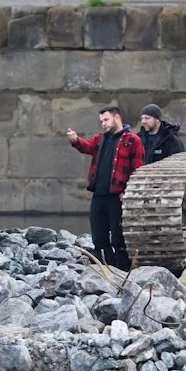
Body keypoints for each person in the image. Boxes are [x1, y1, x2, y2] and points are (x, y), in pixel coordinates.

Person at [67, 105, 144, 271]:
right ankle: (105, 268)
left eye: (106, 120)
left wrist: (128, 192)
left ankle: (124, 269)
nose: (103, 124)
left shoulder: (133, 141)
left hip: (117, 197)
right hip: (99, 195)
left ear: (117, 118)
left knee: (118, 238)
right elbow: (87, 146)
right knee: (99, 237)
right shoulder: (100, 139)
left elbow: (137, 170)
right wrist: (75, 140)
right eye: (101, 121)